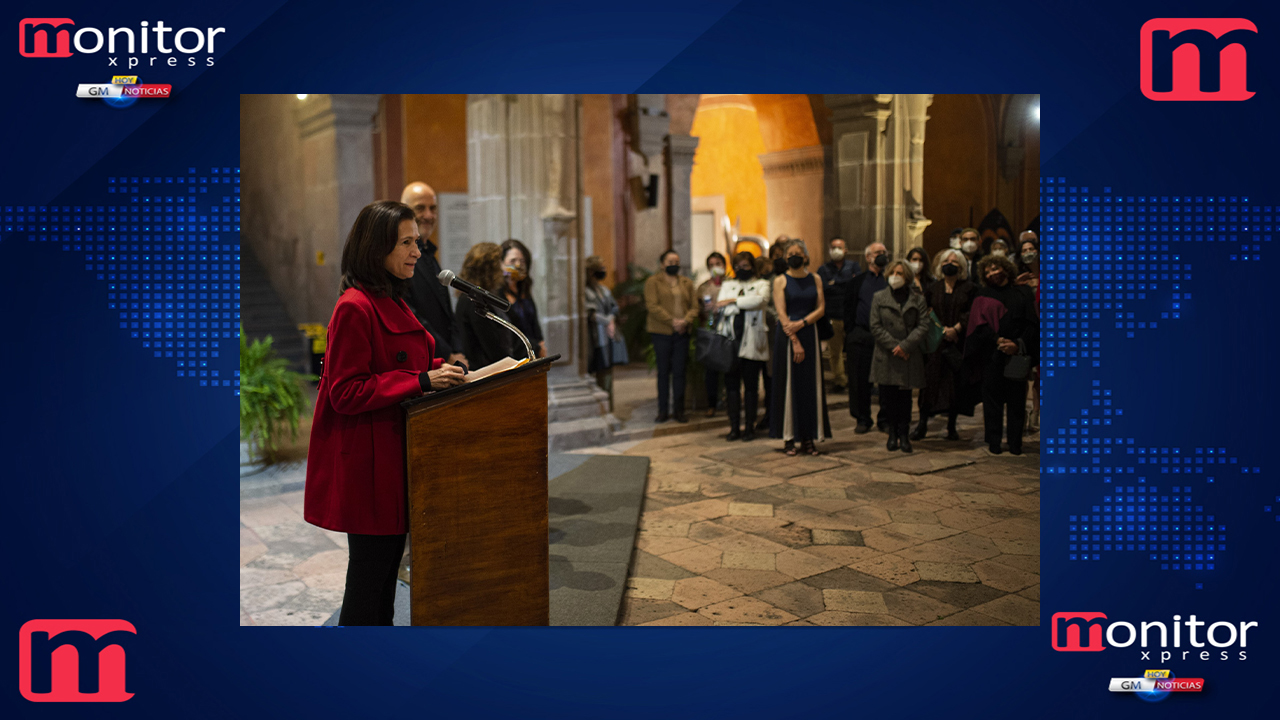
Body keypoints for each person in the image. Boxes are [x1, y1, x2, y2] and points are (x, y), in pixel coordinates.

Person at [303, 200, 467, 625]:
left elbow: (393, 364)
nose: (417, 251)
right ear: (377, 249)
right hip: (370, 466)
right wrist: (420, 381)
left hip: (396, 459)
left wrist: (437, 369)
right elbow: (344, 391)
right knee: (368, 584)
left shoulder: (391, 300)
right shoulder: (355, 307)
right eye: (406, 243)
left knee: (384, 583)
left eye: (416, 241)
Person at [973, 253, 1039, 455]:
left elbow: (1031, 324)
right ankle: (994, 442)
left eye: (996, 268)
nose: (993, 273)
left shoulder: (1022, 292)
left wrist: (1017, 344)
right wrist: (997, 341)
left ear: (1005, 268)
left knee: (1016, 401)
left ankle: (1015, 443)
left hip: (1016, 354)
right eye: (988, 271)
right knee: (992, 402)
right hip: (991, 356)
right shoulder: (982, 294)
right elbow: (978, 325)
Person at [770, 239, 830, 455]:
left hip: (809, 331)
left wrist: (803, 324)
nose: (794, 256)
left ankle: (808, 437)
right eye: (790, 254)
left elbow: (821, 308)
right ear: (786, 258)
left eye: (798, 253)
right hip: (787, 336)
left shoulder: (815, 278)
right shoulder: (780, 280)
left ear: (805, 256)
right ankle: (788, 437)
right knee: (788, 385)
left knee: (809, 385)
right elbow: (781, 312)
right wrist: (794, 339)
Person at [400, 182, 467, 368]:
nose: (428, 215)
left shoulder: (431, 256)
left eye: (433, 208)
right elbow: (411, 317)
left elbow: (447, 312)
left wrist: (458, 350)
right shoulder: (402, 260)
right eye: (420, 208)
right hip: (425, 361)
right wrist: (447, 354)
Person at [914, 248, 976, 441]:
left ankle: (951, 426)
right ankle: (922, 424)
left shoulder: (970, 288)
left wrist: (956, 329)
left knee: (954, 386)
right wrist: (940, 331)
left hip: (957, 343)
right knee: (929, 385)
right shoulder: (933, 288)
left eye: (954, 261)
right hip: (935, 344)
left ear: (961, 266)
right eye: (946, 261)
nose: (950, 264)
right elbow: (925, 311)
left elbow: (972, 312)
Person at [869, 260, 930, 453]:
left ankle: (904, 434)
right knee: (888, 398)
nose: (895, 276)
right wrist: (894, 346)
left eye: (900, 273)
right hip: (887, 355)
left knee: (905, 398)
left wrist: (905, 346)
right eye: (893, 272)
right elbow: (875, 325)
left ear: (907, 278)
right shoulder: (879, 297)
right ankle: (892, 434)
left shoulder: (917, 299)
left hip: (907, 355)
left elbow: (923, 325)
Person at [716, 252, 771, 441]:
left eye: (746, 266)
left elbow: (759, 301)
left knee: (751, 387)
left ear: (753, 267)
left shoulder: (762, 284)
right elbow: (722, 307)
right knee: (731, 387)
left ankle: (749, 427)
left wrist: (733, 301)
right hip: (731, 342)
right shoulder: (727, 284)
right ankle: (733, 427)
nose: (742, 269)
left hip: (752, 343)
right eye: (738, 266)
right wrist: (740, 304)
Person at [645, 250, 698, 423]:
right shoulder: (653, 282)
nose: (673, 264)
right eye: (670, 261)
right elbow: (652, 306)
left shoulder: (686, 283)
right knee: (663, 372)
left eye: (676, 261)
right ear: (662, 264)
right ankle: (662, 410)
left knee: (679, 372)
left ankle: (679, 410)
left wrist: (685, 321)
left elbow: (694, 307)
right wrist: (672, 321)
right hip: (661, 332)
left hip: (682, 333)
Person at [843, 241, 889, 434]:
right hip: (861, 335)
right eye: (877, 252)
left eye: (884, 252)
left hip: (886, 338)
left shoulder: (891, 279)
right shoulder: (857, 281)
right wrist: (851, 331)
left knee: (886, 380)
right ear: (868, 257)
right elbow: (848, 308)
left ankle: (885, 419)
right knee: (859, 381)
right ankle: (862, 418)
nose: (882, 255)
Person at [452, 242, 516, 369]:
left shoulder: (485, 296)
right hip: (486, 373)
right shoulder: (471, 300)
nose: (502, 269)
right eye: (499, 264)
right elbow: (491, 346)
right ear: (488, 270)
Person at [816, 237, 859, 394]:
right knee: (835, 352)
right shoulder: (823, 269)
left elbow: (855, 286)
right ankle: (839, 380)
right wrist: (844, 283)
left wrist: (835, 283)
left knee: (855, 351)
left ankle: (856, 379)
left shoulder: (853, 266)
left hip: (851, 316)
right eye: (833, 247)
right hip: (833, 314)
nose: (836, 250)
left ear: (845, 249)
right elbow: (824, 289)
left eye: (839, 247)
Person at [584, 255, 625, 403]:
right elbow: (590, 313)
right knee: (595, 372)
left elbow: (614, 307)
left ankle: (610, 406)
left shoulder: (604, 289)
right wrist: (607, 321)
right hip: (595, 337)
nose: (603, 271)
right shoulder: (585, 291)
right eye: (600, 268)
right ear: (591, 271)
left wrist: (611, 321)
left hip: (608, 337)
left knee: (607, 373)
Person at [499, 239, 546, 358]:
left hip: (534, 352)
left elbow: (534, 322)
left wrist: (540, 345)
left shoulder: (524, 289)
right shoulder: (498, 292)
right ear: (502, 263)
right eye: (513, 261)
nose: (518, 265)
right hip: (514, 354)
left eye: (522, 261)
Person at [696, 252, 728, 417]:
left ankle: (730, 400)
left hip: (728, 331)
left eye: (718, 263)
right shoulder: (703, 287)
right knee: (711, 371)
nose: (715, 267)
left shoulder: (731, 284)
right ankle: (712, 404)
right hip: (711, 331)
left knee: (730, 368)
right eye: (712, 264)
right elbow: (698, 308)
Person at [1016, 231, 1041, 433]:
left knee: (1041, 376)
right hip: (1026, 331)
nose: (1028, 253)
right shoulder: (1019, 275)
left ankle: (1037, 412)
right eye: (1024, 250)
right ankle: (1021, 412)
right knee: (1022, 373)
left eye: (1031, 249)